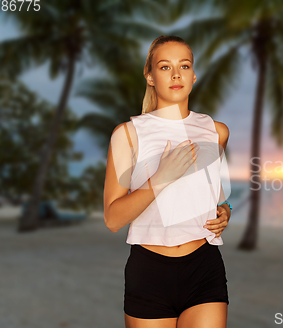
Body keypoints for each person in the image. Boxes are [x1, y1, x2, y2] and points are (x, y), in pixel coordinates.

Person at [103, 35, 232, 328]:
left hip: (204, 265)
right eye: (164, 67)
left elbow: (217, 197)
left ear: (194, 75)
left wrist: (226, 212)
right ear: (150, 76)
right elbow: (112, 218)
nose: (176, 74)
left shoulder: (216, 131)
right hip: (149, 271)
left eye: (184, 66)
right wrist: (160, 179)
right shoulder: (128, 134)